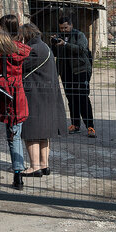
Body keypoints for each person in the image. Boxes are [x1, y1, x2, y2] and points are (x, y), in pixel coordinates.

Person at [16, 23, 67, 178]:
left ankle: (34, 167)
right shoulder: (44, 46)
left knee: (31, 132)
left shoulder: (34, 49)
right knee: (44, 133)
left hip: (36, 96)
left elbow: (20, 67)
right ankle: (44, 165)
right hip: (47, 95)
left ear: (26, 35)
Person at [0, 27, 30, 189]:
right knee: (14, 136)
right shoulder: (19, 53)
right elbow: (26, 49)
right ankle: (18, 175)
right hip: (16, 98)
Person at [50, 16, 95, 137]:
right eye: (61, 28)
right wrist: (54, 44)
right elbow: (55, 54)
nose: (64, 30)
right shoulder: (60, 36)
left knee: (83, 98)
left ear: (71, 25)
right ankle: (75, 124)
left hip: (81, 70)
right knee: (71, 99)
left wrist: (65, 44)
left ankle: (90, 126)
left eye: (65, 27)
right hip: (66, 72)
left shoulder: (78, 35)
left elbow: (81, 49)